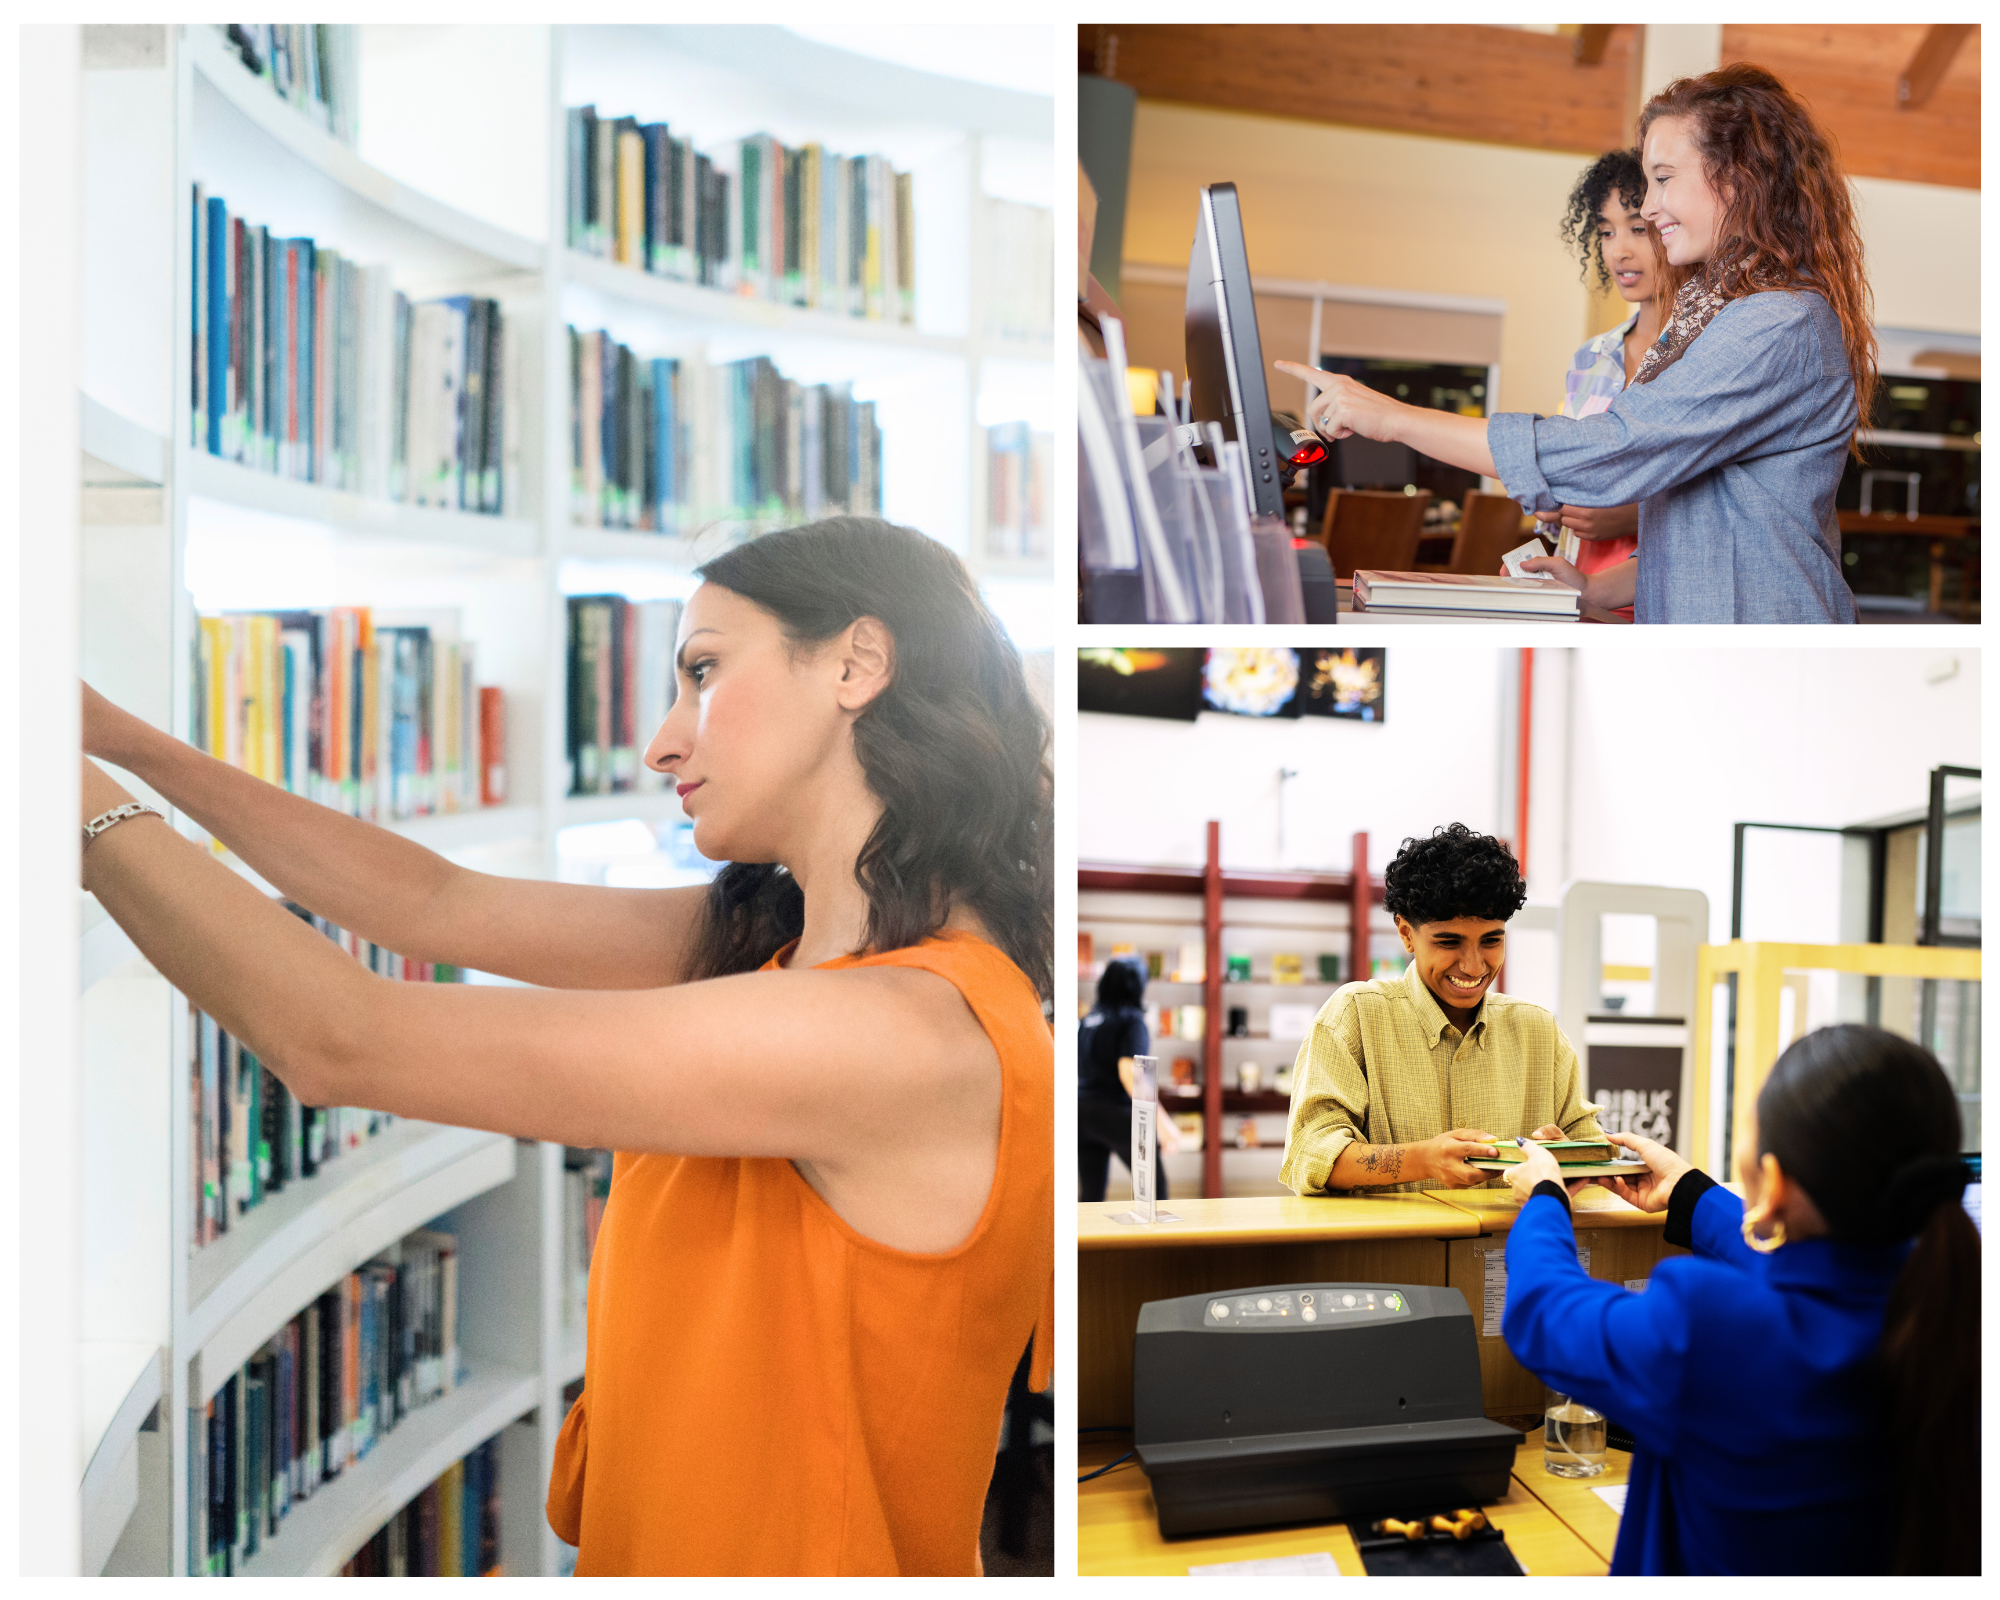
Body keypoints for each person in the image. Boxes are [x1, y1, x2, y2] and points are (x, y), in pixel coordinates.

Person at [76, 516, 1054, 1576]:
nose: (662, 742)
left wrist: (74, 801)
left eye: (704, 671)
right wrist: (123, 744)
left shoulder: (897, 1032)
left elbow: (342, 1039)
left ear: (856, 664)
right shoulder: (784, 941)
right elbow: (429, 899)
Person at [1281, 63, 1873, 623]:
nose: (1648, 206)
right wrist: (1595, 588)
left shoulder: (1778, 322)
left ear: (1740, 178)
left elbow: (1613, 451)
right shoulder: (1715, 314)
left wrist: (1395, 419)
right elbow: (1716, 522)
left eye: (1663, 179)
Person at [1500, 1025, 1979, 1575]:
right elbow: (1821, 1277)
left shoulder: (1711, 1327)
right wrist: (1689, 1192)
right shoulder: (1954, 1314)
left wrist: (1545, 1194)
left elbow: (1546, 1312)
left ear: (1772, 1182)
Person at [1279, 824, 1602, 1195]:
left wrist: (1566, 1155)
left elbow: (1594, 1152)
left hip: (1511, 1251)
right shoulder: (1355, 1016)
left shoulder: (1538, 1029)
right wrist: (1422, 1160)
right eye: (1449, 942)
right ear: (1405, 933)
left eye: (1491, 941)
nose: (1474, 965)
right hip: (1391, 1253)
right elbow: (1309, 1154)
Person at [1526, 147, 1671, 619]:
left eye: (1637, 229)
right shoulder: (1590, 358)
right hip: (1582, 582)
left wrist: (1626, 515)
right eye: (1606, 232)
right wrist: (1554, 505)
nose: (1618, 250)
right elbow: (1573, 472)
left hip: (1666, 586)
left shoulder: (1708, 353)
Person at [1076, 955, 1180, 1202]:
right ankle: (1156, 1241)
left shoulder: (1088, 1020)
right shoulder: (1132, 1020)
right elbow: (1131, 1074)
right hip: (1116, 1115)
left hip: (1081, 1112)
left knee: (1091, 1195)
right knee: (1154, 1192)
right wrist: (1164, 1126)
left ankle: (1087, 1242)